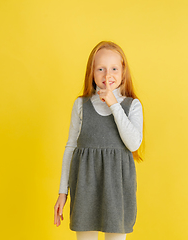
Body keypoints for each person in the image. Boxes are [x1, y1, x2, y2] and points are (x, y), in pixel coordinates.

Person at [54, 40, 144, 240]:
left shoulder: (132, 105)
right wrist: (63, 192)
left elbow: (133, 143)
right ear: (92, 72)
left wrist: (113, 103)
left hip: (117, 188)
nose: (107, 75)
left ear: (123, 71)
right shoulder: (81, 105)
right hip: (85, 186)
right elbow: (71, 147)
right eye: (100, 69)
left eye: (113, 68)